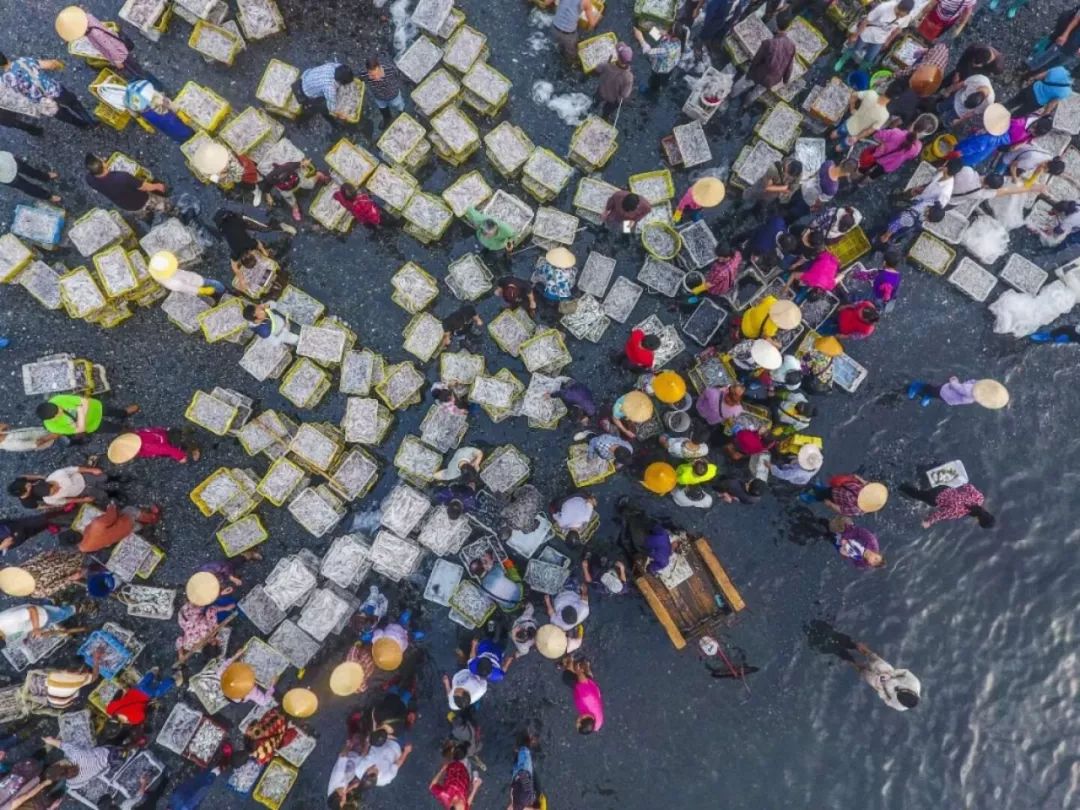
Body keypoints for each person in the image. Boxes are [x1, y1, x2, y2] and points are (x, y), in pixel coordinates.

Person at [54, 6, 160, 84]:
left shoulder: (95, 34)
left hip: (120, 54)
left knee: (136, 71)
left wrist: (118, 61)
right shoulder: (89, 17)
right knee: (137, 68)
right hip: (119, 46)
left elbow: (109, 47)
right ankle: (151, 81)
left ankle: (154, 85)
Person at [0, 51, 96, 128]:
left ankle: (82, 126)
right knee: (75, 105)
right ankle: (91, 122)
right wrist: (58, 64)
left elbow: (17, 98)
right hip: (54, 90)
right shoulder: (23, 61)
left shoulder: (5, 81)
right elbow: (50, 65)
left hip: (42, 103)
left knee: (65, 116)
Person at [728, 12, 796, 101]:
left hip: (759, 74)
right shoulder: (792, 45)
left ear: (776, 23)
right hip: (773, 79)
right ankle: (746, 104)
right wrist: (785, 80)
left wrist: (749, 74)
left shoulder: (768, 43)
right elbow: (789, 67)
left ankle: (731, 95)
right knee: (757, 92)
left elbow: (756, 60)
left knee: (744, 83)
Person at [835, 0, 915, 71]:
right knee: (855, 47)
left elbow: (898, 29)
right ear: (898, 7)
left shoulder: (907, 17)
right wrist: (856, 35)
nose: (899, 17)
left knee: (870, 57)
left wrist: (888, 41)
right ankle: (842, 60)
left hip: (880, 39)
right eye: (898, 14)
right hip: (867, 34)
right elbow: (866, 20)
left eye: (901, 16)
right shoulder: (884, 7)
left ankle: (860, 70)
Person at [60, 502, 160, 554]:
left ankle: (141, 526)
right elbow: (112, 515)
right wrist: (110, 505)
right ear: (72, 530)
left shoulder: (83, 548)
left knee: (133, 526)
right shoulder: (96, 525)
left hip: (121, 535)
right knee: (129, 509)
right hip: (125, 524)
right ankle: (152, 518)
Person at [84, 153, 168, 215]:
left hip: (126, 206)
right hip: (142, 200)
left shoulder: (89, 179)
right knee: (161, 205)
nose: (103, 158)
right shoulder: (122, 177)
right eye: (100, 158)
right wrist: (157, 186)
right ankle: (170, 210)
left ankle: (146, 217)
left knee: (141, 213)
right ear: (103, 164)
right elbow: (143, 187)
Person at [850, 642, 921, 711]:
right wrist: (891, 675)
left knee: (864, 672)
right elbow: (905, 672)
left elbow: (887, 700)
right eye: (901, 692)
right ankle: (859, 647)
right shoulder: (914, 683)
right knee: (874, 658)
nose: (898, 692)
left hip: (880, 685)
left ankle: (851, 661)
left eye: (898, 696)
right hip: (889, 672)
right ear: (909, 691)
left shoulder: (899, 706)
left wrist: (881, 688)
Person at [900, 481, 994, 528]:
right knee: (916, 495)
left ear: (987, 512)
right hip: (934, 497)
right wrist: (928, 522)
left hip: (944, 487)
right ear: (978, 520)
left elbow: (967, 485)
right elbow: (940, 514)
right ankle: (900, 485)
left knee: (925, 483)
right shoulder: (959, 512)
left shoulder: (979, 497)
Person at [262, 158, 330, 222]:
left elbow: (300, 164)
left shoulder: (289, 166)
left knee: (310, 185)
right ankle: (295, 208)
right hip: (285, 189)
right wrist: (268, 196)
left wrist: (305, 163)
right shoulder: (270, 178)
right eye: (281, 179)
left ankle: (318, 175)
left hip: (298, 181)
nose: (284, 179)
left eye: (286, 176)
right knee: (290, 199)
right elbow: (267, 188)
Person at [1025, 6, 1080, 74]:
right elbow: (1077, 19)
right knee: (1048, 52)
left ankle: (1039, 74)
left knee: (1058, 63)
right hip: (1069, 36)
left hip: (1073, 50)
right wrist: (1065, 35)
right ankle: (1030, 65)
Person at [800, 474, 888, 517]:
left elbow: (842, 510)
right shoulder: (869, 488)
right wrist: (859, 479)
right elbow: (866, 483)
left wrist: (831, 505)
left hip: (835, 498)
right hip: (840, 488)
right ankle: (820, 488)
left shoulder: (856, 509)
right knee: (828, 489)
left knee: (821, 496)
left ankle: (810, 498)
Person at [1007, 65, 1074, 117]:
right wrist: (1044, 114)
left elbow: (1039, 76)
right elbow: (1051, 104)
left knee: (1012, 102)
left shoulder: (1060, 69)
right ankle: (1001, 124)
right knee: (1017, 114)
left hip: (1031, 89)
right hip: (1035, 102)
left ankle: (999, 110)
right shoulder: (1066, 91)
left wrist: (1031, 80)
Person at [633, 25, 684, 94]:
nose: (666, 32)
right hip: (669, 67)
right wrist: (650, 29)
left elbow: (649, 52)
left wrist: (640, 38)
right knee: (664, 81)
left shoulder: (667, 50)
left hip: (660, 71)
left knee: (655, 84)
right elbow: (663, 36)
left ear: (673, 36)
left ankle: (651, 92)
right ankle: (662, 85)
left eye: (669, 32)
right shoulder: (678, 41)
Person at [357, 56, 405, 125]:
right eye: (372, 75)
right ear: (367, 71)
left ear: (380, 67)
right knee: (383, 110)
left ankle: (402, 116)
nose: (376, 78)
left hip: (394, 95)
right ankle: (387, 120)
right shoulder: (364, 74)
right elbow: (360, 80)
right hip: (379, 97)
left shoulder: (390, 68)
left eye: (378, 74)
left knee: (400, 107)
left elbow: (398, 75)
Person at [0, 603, 76, 645]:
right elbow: (19, 631)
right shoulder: (4, 634)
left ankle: (76, 607)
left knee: (62, 614)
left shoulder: (6, 621)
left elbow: (32, 610)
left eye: (2, 638)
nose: (5, 639)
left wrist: (36, 628)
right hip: (38, 623)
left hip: (43, 615)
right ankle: (54, 604)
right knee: (56, 614)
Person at [593, 42, 634, 120]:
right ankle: (604, 117)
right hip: (613, 99)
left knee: (596, 99)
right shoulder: (629, 77)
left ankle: (594, 105)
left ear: (618, 57)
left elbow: (597, 69)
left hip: (602, 91)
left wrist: (608, 61)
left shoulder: (607, 66)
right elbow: (625, 94)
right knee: (607, 110)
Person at [0, 509, 70, 554]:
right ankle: (63, 514)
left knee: (34, 522)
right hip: (9, 535)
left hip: (8, 528)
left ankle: (61, 514)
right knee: (36, 522)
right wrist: (2, 546)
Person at [567, 657, 604, 734]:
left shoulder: (596, 725)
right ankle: (570, 659)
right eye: (578, 722)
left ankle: (587, 670)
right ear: (584, 717)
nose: (576, 722)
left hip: (595, 692)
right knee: (567, 678)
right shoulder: (586, 699)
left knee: (587, 683)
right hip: (587, 689)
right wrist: (578, 671)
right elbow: (583, 681)